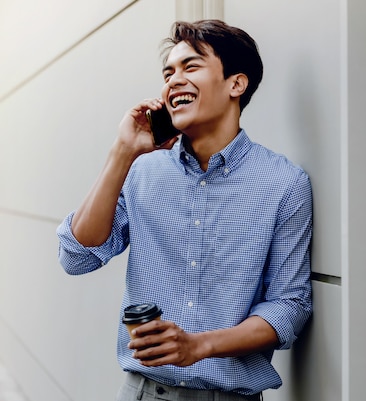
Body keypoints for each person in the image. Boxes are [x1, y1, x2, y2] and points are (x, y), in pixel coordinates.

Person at [56, 19, 313, 401]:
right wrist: (122, 152)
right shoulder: (141, 169)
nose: (174, 80)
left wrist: (199, 346)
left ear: (235, 84)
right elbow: (77, 257)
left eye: (190, 66)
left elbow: (289, 306)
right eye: (168, 72)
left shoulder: (284, 184)